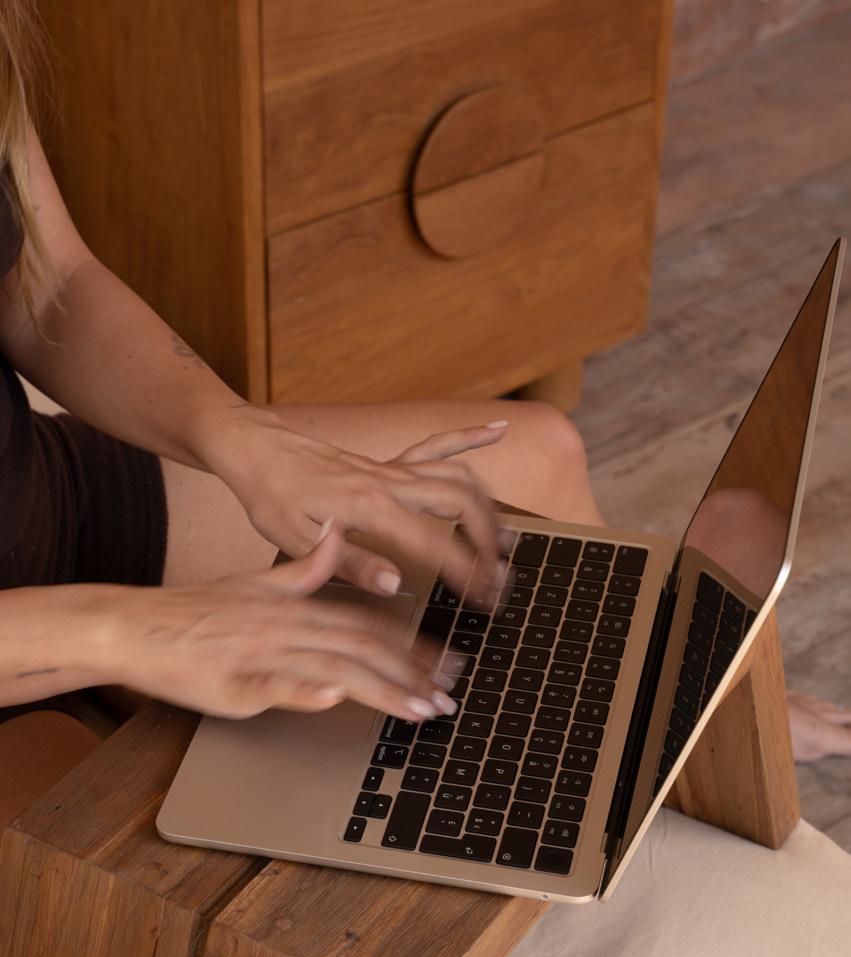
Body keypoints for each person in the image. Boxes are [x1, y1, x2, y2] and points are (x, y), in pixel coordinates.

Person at [0, 6, 848, 829]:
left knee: (532, 457)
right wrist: (129, 633)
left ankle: (678, 729)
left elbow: (48, 285)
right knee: (145, 875)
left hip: (43, 511)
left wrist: (240, 436)